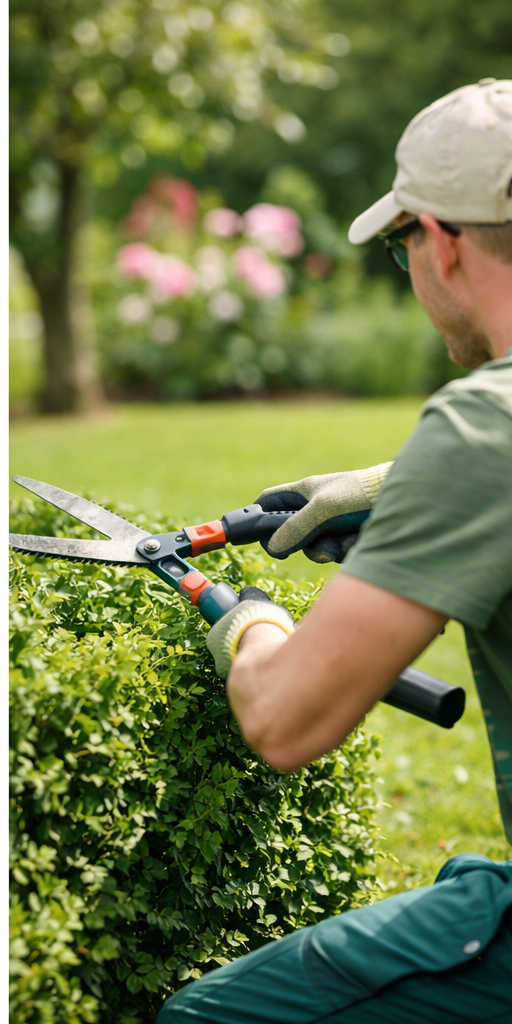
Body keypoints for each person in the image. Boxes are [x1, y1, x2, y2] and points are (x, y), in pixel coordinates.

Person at [156, 80, 512, 1024]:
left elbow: (285, 721)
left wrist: (249, 622)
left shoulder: (482, 430)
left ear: (439, 238)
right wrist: (390, 488)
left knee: (201, 1020)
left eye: (400, 251)